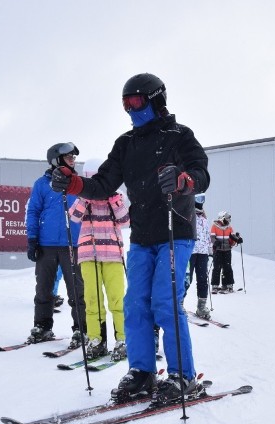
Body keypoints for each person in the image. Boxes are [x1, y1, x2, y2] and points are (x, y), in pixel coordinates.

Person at [50, 72, 210, 405]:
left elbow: (201, 173)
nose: (131, 110)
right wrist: (73, 183)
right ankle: (142, 372)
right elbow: (104, 184)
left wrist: (184, 180)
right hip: (142, 236)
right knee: (135, 304)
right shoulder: (126, 143)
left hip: (174, 229)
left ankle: (182, 375)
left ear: (156, 100)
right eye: (125, 105)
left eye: (136, 102)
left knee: (164, 302)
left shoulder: (180, 136)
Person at [26, 143, 86, 349]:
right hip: (46, 244)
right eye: (68, 156)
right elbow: (33, 211)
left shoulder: (77, 184)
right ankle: (42, 326)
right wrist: (32, 239)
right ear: (55, 159)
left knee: (77, 291)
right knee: (44, 290)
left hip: (73, 245)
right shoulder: (41, 184)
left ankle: (81, 329)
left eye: (73, 157)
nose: (73, 160)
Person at [69, 190, 130, 361]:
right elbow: (73, 216)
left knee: (117, 299)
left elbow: (125, 220)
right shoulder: (84, 196)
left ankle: (123, 340)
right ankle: (97, 340)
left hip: (113, 254)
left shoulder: (118, 195)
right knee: (92, 299)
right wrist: (85, 197)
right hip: (89, 253)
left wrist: (114, 200)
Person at [185, 194, 213, 319]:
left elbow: (207, 236)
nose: (200, 203)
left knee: (202, 279)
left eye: (202, 200)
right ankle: (180, 303)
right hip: (190, 252)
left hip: (202, 253)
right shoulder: (188, 215)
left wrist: (210, 249)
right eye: (198, 200)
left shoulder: (204, 219)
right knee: (187, 279)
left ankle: (201, 306)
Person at [210, 211, 243, 293]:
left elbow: (232, 237)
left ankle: (228, 284)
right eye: (227, 218)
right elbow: (212, 237)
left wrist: (238, 239)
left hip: (227, 250)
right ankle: (215, 285)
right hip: (218, 250)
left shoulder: (229, 227)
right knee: (217, 267)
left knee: (227, 267)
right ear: (222, 218)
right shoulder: (214, 226)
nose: (228, 220)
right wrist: (215, 242)